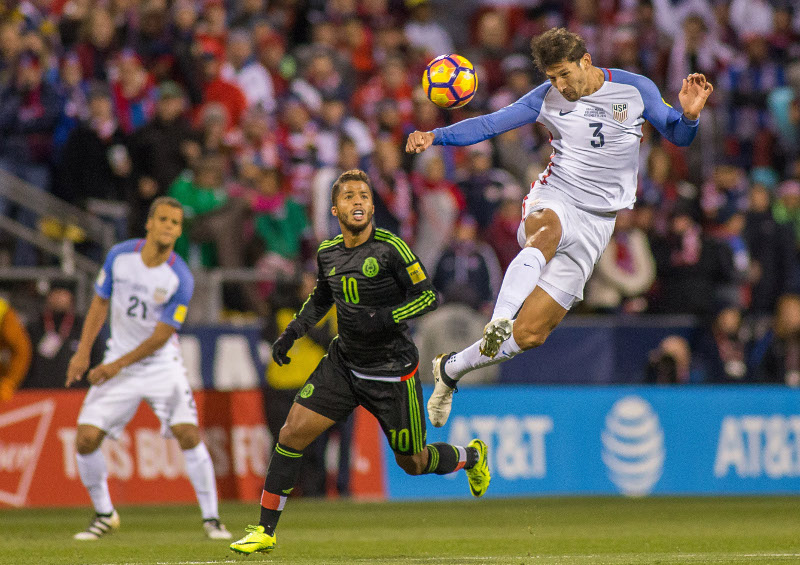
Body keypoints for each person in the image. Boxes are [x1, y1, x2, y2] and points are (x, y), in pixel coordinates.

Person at [405, 27, 714, 427]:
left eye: (565, 74)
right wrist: (436, 136)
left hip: (598, 224)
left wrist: (688, 116)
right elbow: (489, 126)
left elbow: (677, 135)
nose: (560, 85)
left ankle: (451, 369)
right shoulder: (545, 98)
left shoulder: (635, 89)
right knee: (545, 234)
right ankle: (500, 316)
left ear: (586, 60)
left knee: (531, 333)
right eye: (552, 77)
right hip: (556, 196)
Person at [229, 169, 490, 555]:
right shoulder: (328, 252)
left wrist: (385, 317)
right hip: (345, 365)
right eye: (349, 196)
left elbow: (429, 297)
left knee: (413, 462)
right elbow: (321, 297)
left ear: (371, 207)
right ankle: (265, 531)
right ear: (335, 208)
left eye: (364, 196)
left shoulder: (391, 248)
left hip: (392, 372)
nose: (358, 202)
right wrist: (293, 332)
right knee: (290, 434)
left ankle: (471, 456)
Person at [65, 196, 231, 541]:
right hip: (118, 362)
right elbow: (99, 301)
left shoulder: (180, 276)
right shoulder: (120, 256)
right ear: (150, 223)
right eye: (165, 220)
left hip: (159, 365)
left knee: (188, 433)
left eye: (176, 223)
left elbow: (162, 335)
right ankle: (104, 514)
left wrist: (114, 366)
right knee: (84, 440)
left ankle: (212, 519)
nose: (170, 227)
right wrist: (83, 353)